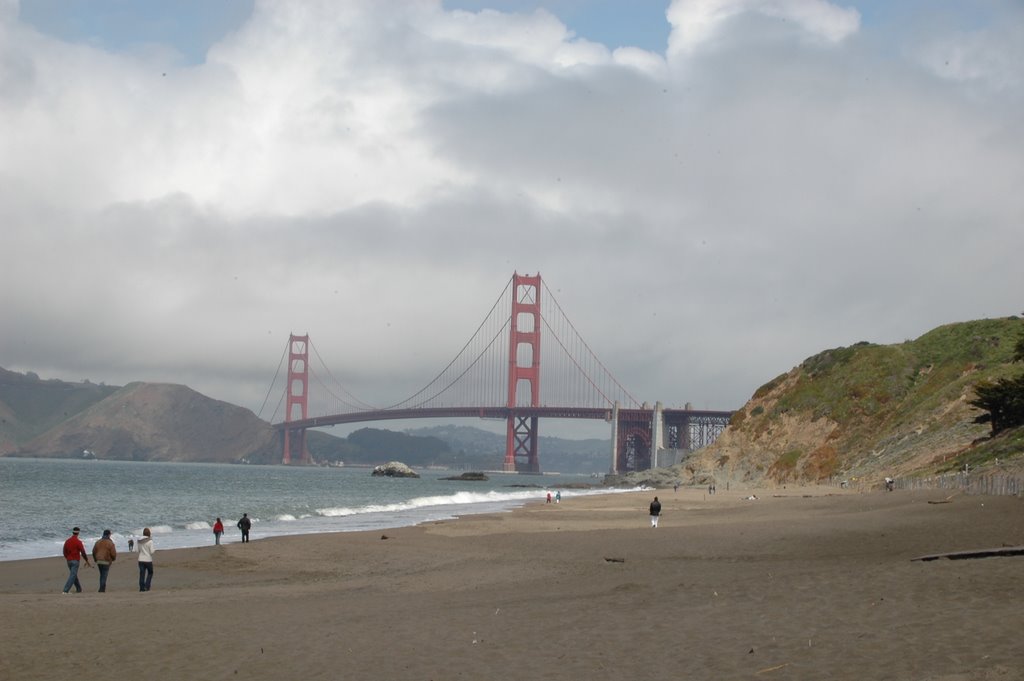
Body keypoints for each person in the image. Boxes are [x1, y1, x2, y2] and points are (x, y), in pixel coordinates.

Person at [61, 526, 91, 593]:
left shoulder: (67, 541)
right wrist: (86, 560)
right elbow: (83, 552)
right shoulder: (78, 542)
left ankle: (79, 589)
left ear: (73, 532)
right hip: (75, 560)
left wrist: (67, 558)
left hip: (69, 560)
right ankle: (65, 591)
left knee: (73, 575)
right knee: (73, 575)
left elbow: (64, 551)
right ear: (78, 533)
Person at [137, 528, 154, 592]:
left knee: (142, 573)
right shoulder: (150, 541)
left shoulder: (139, 540)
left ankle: (141, 587)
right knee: (150, 572)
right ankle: (147, 586)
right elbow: (152, 551)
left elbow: (137, 550)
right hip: (148, 559)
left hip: (140, 559)